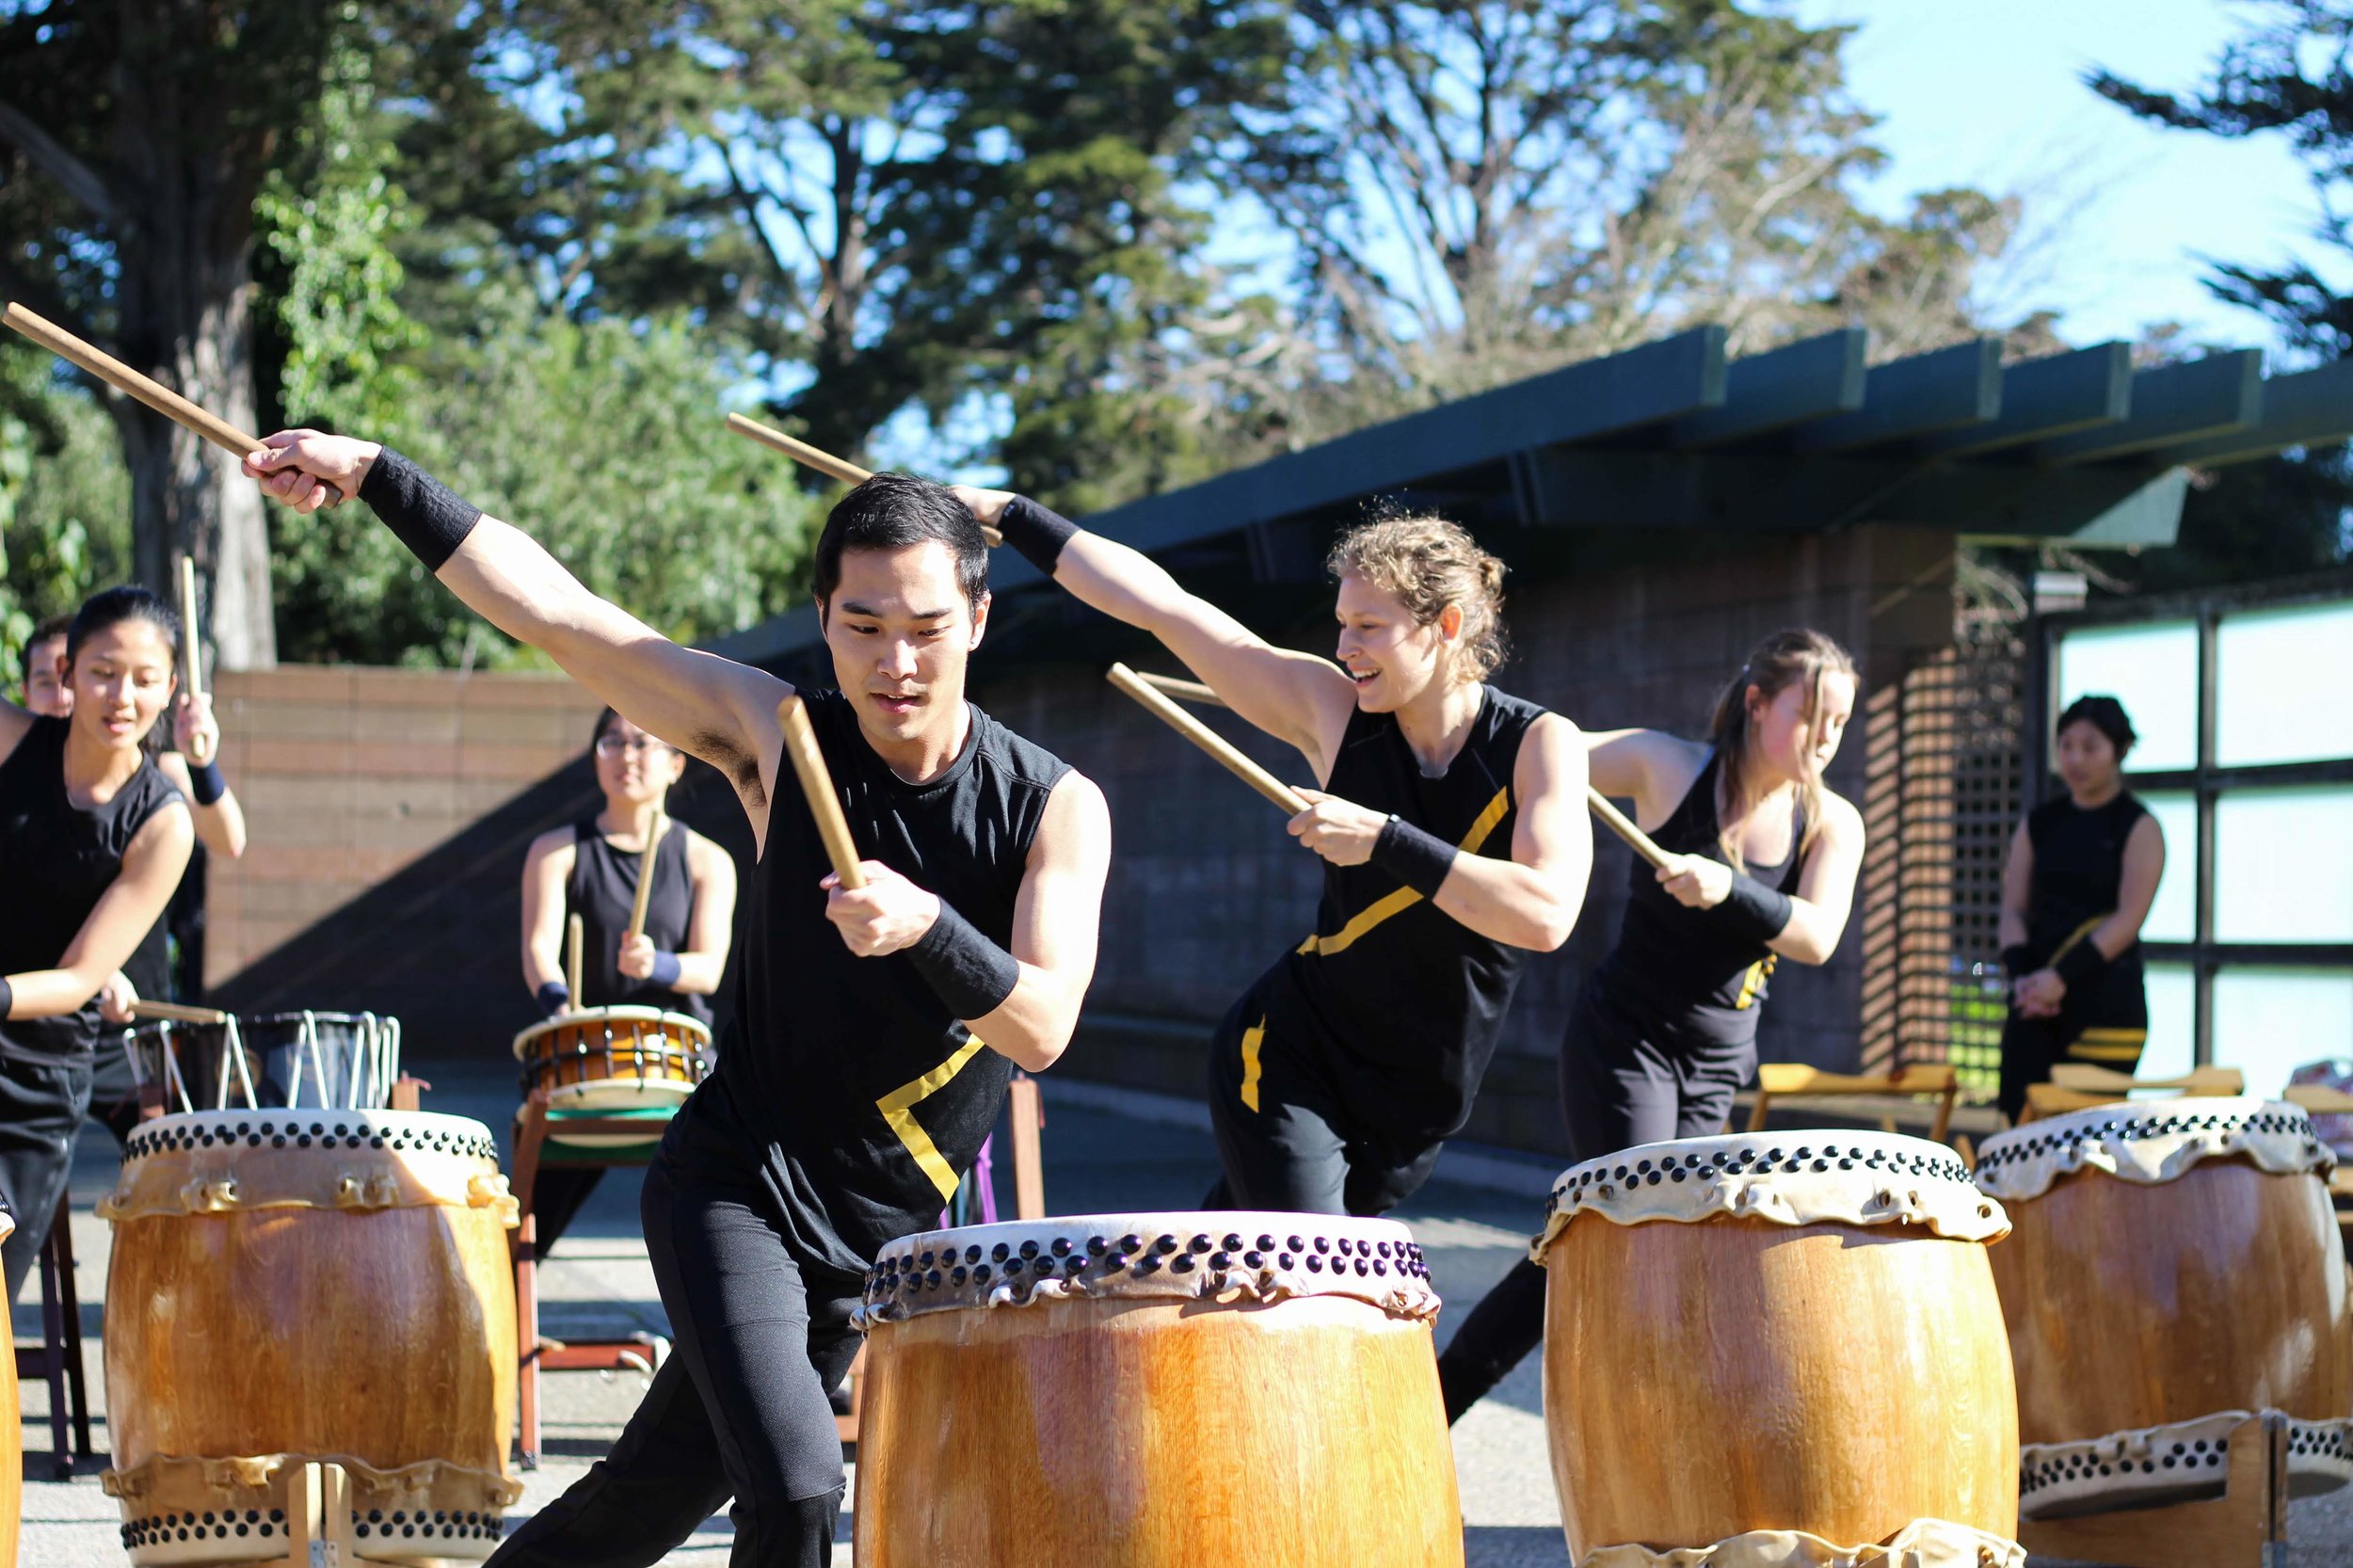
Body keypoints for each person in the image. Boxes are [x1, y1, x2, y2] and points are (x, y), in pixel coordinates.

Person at [244, 431, 1111, 1568]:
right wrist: (378, 476)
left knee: (639, 1503)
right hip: (734, 1185)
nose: (896, 661)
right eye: (863, 628)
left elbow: (1041, 1028)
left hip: (871, 1238)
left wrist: (928, 928)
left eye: (926, 629)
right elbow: (566, 618)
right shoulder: (776, 736)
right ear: (822, 618)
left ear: (979, 620)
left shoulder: (1053, 805)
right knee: (799, 1489)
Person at [955, 488, 1591, 1218]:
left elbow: (1545, 914)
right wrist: (1014, 513)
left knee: (1234, 1269)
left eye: (1369, 627)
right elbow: (1165, 605)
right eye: (1342, 623)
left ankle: (1121, 1324)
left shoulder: (1539, 743)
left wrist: (1385, 839)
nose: (1345, 647)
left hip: (1416, 1102)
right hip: (1291, 1056)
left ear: (1445, 626)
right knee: (1315, 1277)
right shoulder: (1331, 710)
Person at [1433, 628, 1866, 1423]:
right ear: (1756, 702)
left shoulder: (1831, 823)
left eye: (1839, 720)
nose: (1827, 738)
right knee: (1618, 1227)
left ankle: (1652, 1443)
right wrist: (1441, 708)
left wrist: (1723, 887)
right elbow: (1545, 751)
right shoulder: (1668, 767)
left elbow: (1816, 934)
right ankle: (1439, 1401)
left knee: (1665, 1248)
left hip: (1715, 1067)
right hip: (1623, 1045)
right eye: (1810, 716)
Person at [0, 588, 197, 1301]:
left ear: (171, 688)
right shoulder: (14, 740)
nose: (122, 695)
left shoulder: (162, 823)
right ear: (69, 672)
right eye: (103, 672)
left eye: (145, 679)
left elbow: (82, 978)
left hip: (33, 1074)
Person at [21, 610, 248, 1144]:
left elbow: (230, 839)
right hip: (29, 1026)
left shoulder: (155, 790)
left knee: (168, 1175)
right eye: (44, 685)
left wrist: (203, 762)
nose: (62, 698)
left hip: (132, 1030)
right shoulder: (18, 777)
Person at [520, 706, 737, 1253]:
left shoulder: (706, 860)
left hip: (677, 1059)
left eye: (642, 743)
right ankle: (506, 1308)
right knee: (527, 1219)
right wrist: (556, 1001)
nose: (626, 757)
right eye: (612, 743)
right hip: (580, 1052)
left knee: (713, 1210)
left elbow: (709, 969)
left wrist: (658, 964)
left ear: (675, 764)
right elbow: (539, 948)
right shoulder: (556, 852)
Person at [1996, 694, 2164, 1122]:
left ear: (2119, 751)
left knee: (2090, 1136)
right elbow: (2013, 908)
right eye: (2066, 745)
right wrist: (2024, 982)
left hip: (2104, 1004)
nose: (2075, 758)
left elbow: (2129, 917)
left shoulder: (2138, 825)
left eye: (2090, 747)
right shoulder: (2041, 822)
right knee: (2019, 1128)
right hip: (2034, 1003)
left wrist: (2061, 978)